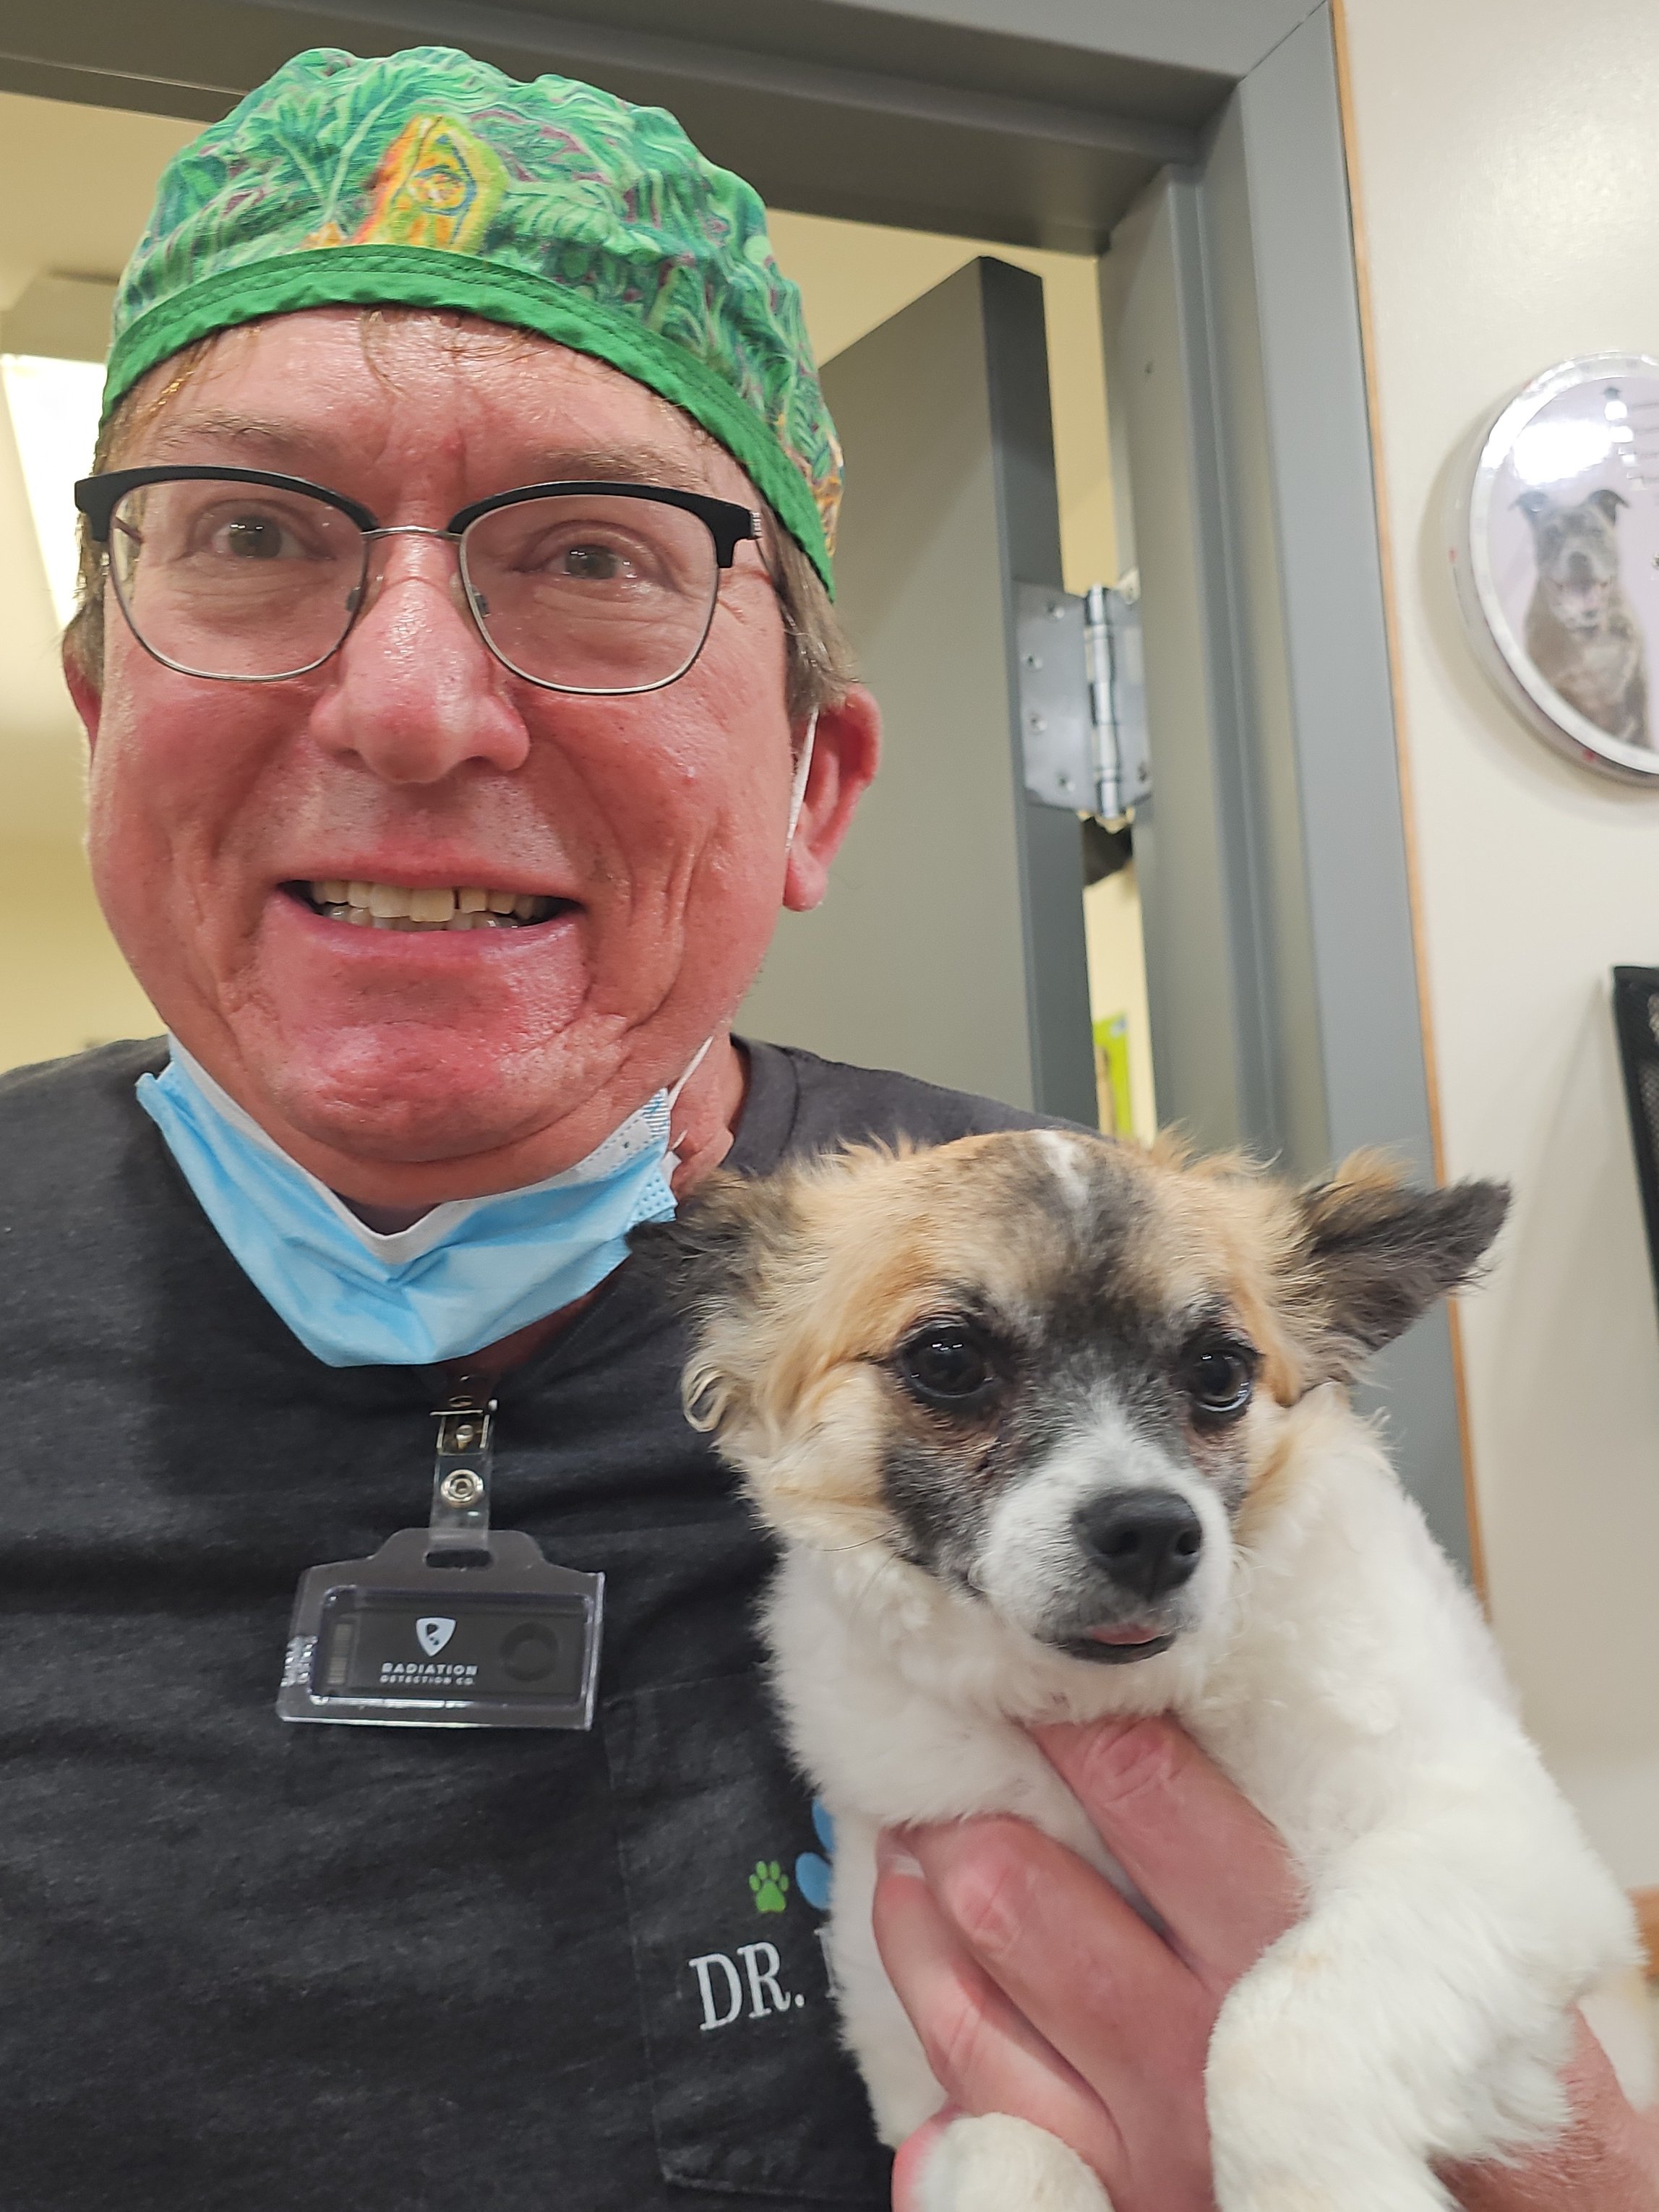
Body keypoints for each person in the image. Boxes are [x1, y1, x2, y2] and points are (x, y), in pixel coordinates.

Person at [0, 40, 1649, 2212]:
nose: (407, 704)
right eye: (244, 532)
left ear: (815, 785)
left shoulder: (1109, 1261)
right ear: (104, 694)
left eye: (595, 553)